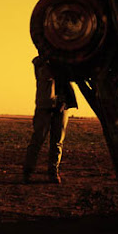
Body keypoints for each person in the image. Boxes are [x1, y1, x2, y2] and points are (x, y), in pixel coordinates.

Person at [23, 56, 77, 184]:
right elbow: (46, 74)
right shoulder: (41, 64)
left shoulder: (55, 64)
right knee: (39, 140)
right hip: (46, 107)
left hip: (59, 105)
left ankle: (51, 172)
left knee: (56, 141)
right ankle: (29, 171)